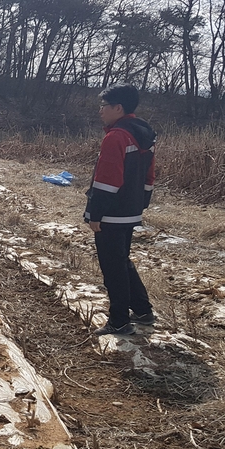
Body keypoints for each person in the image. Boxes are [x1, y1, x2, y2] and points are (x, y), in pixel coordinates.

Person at [85, 84, 157, 336]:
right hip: (131, 210)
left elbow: (107, 180)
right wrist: (140, 204)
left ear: (118, 108)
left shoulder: (116, 136)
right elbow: (149, 176)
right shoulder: (144, 133)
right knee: (122, 261)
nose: (100, 111)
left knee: (112, 267)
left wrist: (95, 214)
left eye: (104, 106)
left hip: (112, 214)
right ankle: (142, 310)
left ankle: (119, 321)